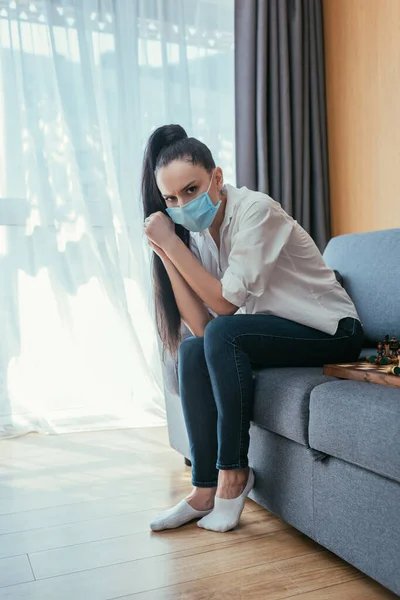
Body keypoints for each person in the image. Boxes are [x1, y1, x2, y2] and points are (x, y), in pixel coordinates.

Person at [141, 124, 363, 533]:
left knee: (225, 334)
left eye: (191, 190)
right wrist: (166, 251)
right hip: (283, 331)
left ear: (217, 178)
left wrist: (172, 244)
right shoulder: (202, 238)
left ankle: (235, 475)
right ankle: (204, 488)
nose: (183, 205)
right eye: (172, 199)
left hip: (333, 330)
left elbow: (225, 307)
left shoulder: (256, 211)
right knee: (193, 348)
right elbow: (202, 325)